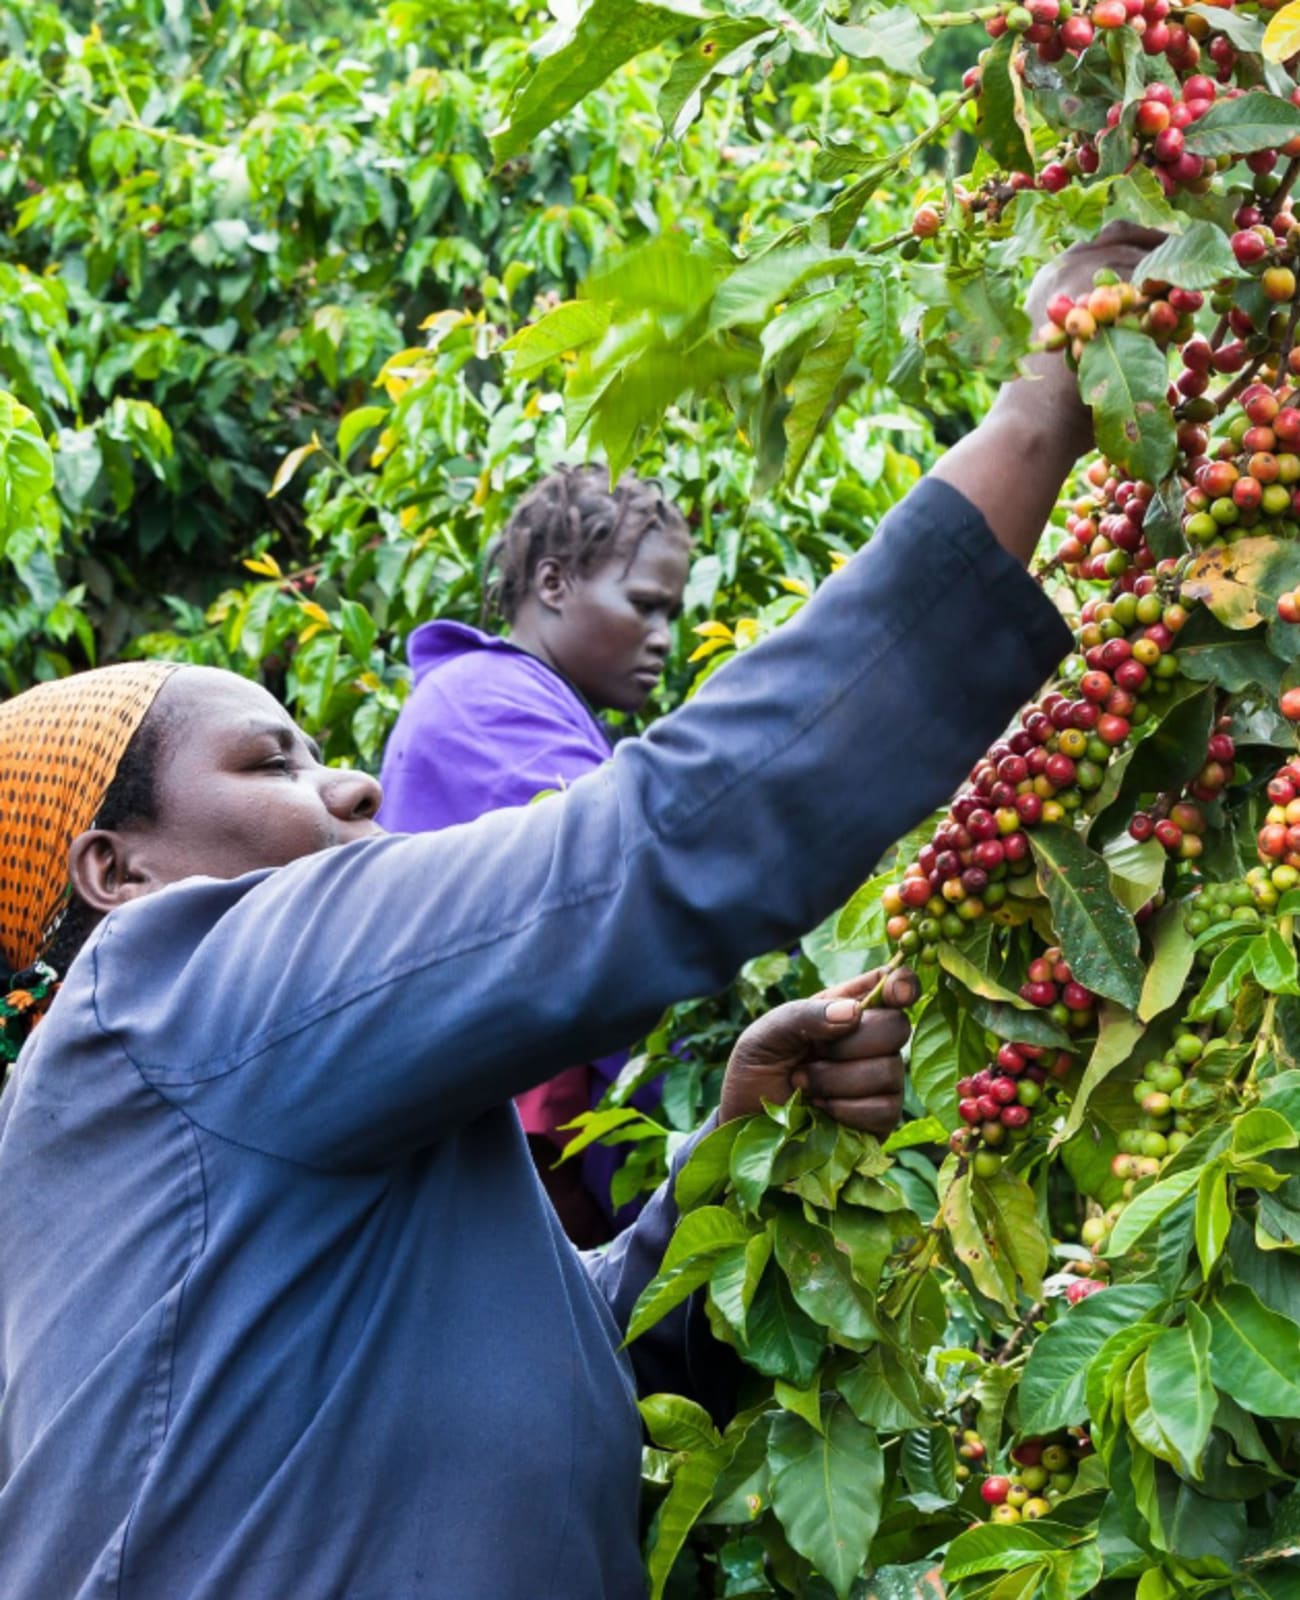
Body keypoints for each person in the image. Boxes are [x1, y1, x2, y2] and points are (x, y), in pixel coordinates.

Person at [0, 223, 1158, 1599]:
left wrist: (728, 1152)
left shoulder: (255, 1112)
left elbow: (557, 1356)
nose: (356, 782)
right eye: (272, 762)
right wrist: (1037, 415)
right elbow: (650, 847)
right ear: (116, 873)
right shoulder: (172, 987)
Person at [378, 466, 692, 1245]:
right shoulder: (487, 702)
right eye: (645, 605)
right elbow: (626, 880)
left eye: (673, 613)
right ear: (553, 582)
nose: (664, 637)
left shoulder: (525, 702)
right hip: (509, 1161)